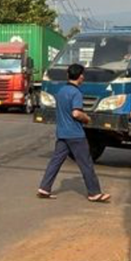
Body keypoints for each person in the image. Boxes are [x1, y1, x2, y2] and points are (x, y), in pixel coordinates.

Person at [37, 64, 111, 202]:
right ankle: (94, 193)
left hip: (62, 133)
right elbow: (76, 113)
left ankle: (44, 188)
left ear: (68, 75)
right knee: (86, 163)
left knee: (55, 161)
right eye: (83, 75)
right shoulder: (76, 93)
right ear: (81, 76)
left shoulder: (61, 91)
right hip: (76, 135)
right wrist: (87, 118)